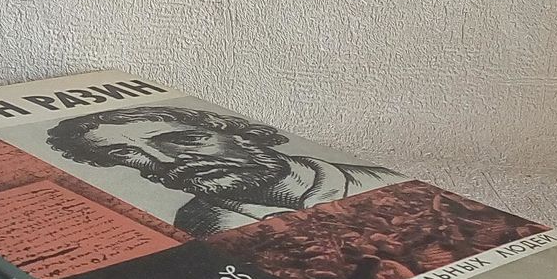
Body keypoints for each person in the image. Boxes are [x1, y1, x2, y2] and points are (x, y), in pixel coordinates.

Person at [47, 106, 402, 236]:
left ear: (236, 132)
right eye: (124, 153)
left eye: (184, 140)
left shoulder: (384, 182)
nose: (166, 162)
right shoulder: (204, 227)